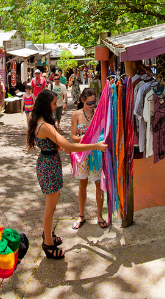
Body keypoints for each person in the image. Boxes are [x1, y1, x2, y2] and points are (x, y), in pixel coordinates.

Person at [27, 90, 106, 260]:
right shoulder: (46, 126)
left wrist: (59, 147)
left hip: (48, 163)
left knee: (52, 204)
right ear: (46, 105)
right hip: (49, 167)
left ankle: (48, 234)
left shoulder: (38, 121)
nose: (56, 107)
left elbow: (54, 144)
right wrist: (95, 146)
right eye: (54, 104)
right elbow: (69, 146)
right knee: (50, 208)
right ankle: (48, 243)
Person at [70, 88, 108, 229]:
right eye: (88, 103)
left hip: (96, 154)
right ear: (82, 100)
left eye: (93, 102)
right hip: (82, 154)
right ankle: (81, 215)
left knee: (99, 185)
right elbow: (73, 137)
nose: (91, 105)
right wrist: (87, 139)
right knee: (82, 185)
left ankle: (99, 215)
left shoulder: (99, 114)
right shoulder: (76, 114)